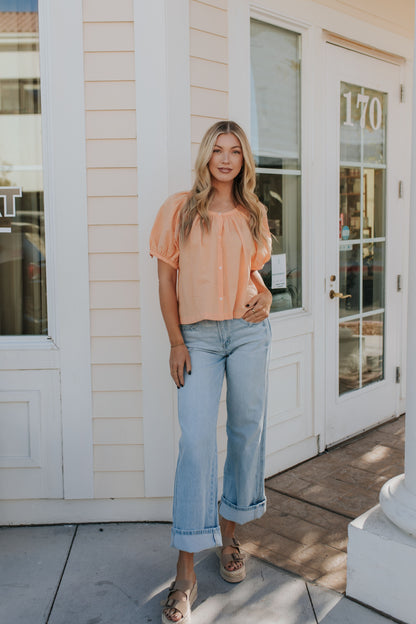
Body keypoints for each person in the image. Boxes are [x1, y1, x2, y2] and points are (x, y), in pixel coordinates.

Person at [149, 120, 272, 624]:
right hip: (197, 337)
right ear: (206, 156)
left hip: (246, 332)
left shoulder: (252, 211)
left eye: (235, 151)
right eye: (218, 150)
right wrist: (176, 342)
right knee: (197, 442)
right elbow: (166, 279)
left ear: (244, 160)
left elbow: (253, 271)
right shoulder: (180, 209)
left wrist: (264, 293)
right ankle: (185, 573)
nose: (225, 159)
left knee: (246, 433)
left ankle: (229, 538)